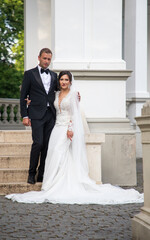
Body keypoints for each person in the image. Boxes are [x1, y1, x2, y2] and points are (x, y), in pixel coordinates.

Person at [6, 71, 143, 204]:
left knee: (61, 153)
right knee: (53, 153)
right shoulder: (56, 94)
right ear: (58, 81)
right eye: (61, 79)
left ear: (70, 82)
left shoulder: (73, 95)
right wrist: (30, 102)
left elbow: (74, 114)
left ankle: (62, 184)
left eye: (66, 80)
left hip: (67, 129)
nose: (64, 82)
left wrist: (70, 129)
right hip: (56, 128)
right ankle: (50, 183)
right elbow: (44, 100)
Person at [20, 48, 57, 184]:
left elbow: (60, 91)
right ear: (39, 58)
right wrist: (24, 115)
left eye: (49, 59)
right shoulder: (29, 74)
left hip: (51, 114)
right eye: (44, 58)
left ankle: (41, 175)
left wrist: (74, 95)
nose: (46, 61)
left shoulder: (54, 76)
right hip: (36, 114)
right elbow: (23, 96)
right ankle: (31, 173)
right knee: (38, 143)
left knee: (47, 145)